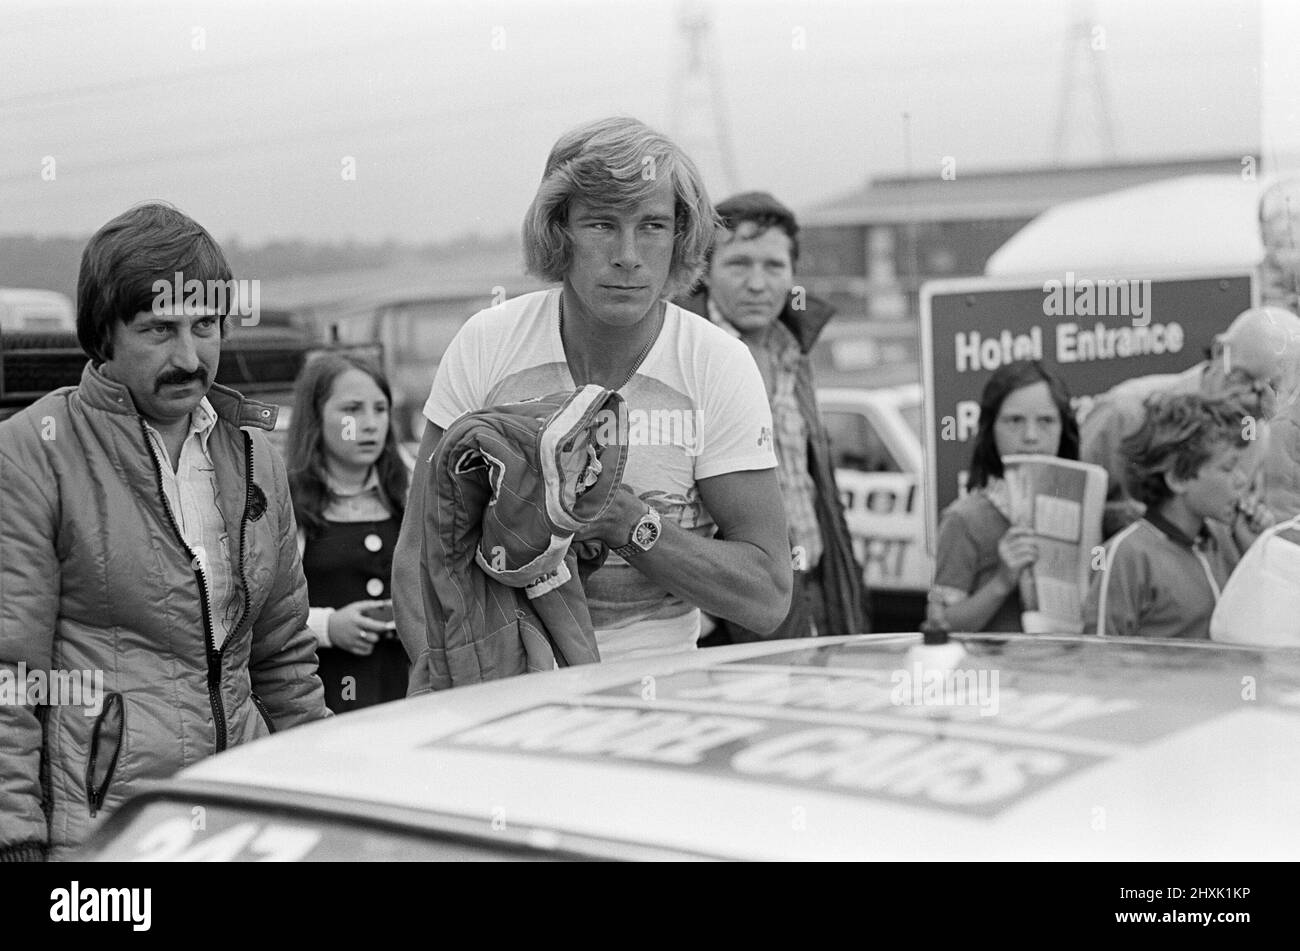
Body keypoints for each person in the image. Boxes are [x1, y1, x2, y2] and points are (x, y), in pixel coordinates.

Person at [393, 116, 792, 687]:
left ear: (681, 237)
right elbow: (417, 561)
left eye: (652, 225)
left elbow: (768, 595)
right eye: (602, 224)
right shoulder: (488, 343)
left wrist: (629, 522)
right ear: (560, 231)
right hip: (504, 702)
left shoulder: (717, 365)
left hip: (661, 709)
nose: (628, 255)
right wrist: (454, 688)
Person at [0, 202, 328, 860]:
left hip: (244, 821)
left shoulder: (256, 450)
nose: (189, 355)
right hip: (107, 835)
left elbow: (285, 657)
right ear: (103, 336)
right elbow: (11, 673)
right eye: (160, 329)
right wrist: (15, 837)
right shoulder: (34, 450)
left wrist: (327, 796)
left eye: (205, 324)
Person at [678, 190, 866, 641]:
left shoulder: (793, 348)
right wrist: (701, 610)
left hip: (813, 582)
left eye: (774, 266)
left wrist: (846, 587)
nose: (758, 283)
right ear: (705, 270)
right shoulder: (685, 353)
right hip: (732, 600)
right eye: (739, 263)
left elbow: (818, 483)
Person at [1080, 305, 1300, 537]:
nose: (1250, 398)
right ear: (1218, 352)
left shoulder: (1261, 431)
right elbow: (1071, 506)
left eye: (1271, 389)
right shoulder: (1125, 413)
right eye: (1242, 378)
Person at [1085, 390, 1272, 639]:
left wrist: (1256, 551)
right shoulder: (1126, 556)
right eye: (1228, 467)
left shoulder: (1227, 539)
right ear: (1178, 478)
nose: (1241, 480)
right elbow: (1099, 658)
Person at [287, 353, 411, 713]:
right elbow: (263, 615)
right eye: (352, 410)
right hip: (324, 699)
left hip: (405, 694)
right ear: (316, 417)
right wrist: (329, 626)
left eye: (380, 409)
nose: (370, 424)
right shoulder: (285, 500)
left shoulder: (411, 490)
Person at [929, 361, 1080, 633]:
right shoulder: (964, 520)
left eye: (1046, 421)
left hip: (1069, 668)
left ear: (1063, 428)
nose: (1031, 436)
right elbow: (938, 624)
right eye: (1014, 421)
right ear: (991, 429)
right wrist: (1002, 581)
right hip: (997, 673)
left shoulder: (1082, 506)